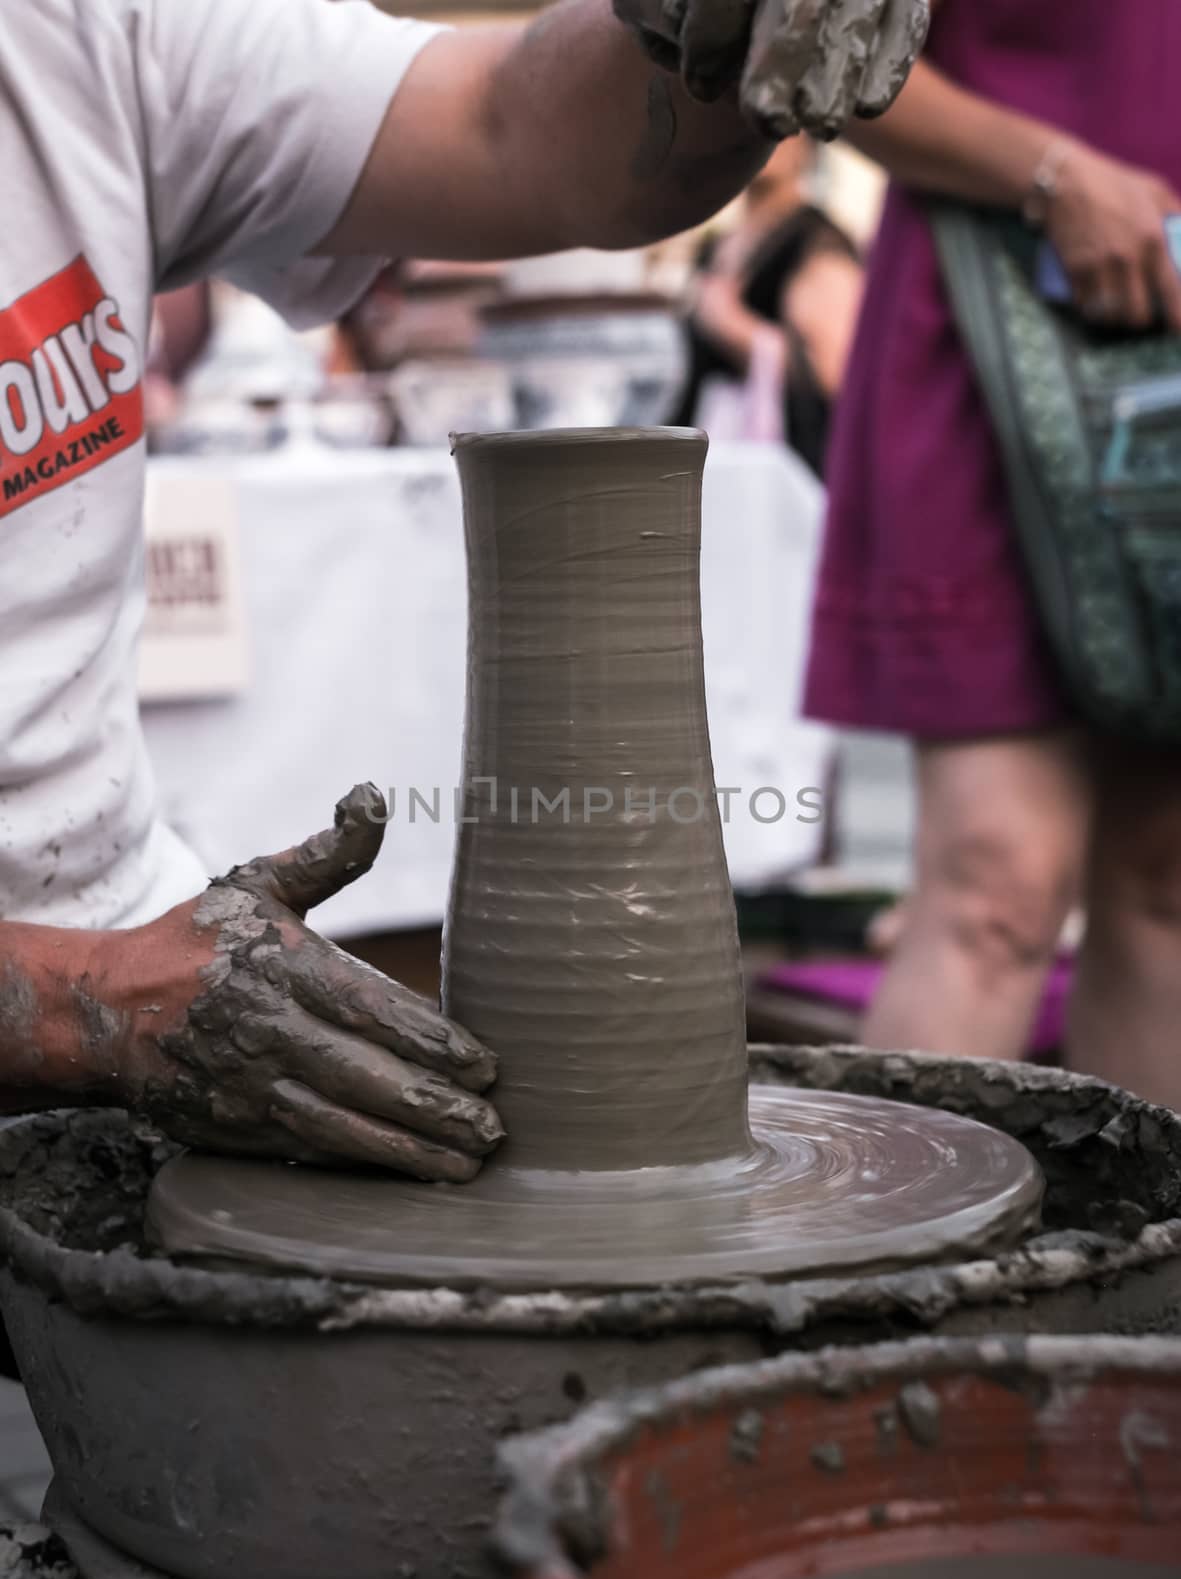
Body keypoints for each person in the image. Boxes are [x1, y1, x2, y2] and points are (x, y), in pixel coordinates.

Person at [0, 0, 925, 1175]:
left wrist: (693, 39)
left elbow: (509, 127)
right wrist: (78, 1000)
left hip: (127, 940)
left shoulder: (80, 28)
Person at [802, 0, 1181, 1106]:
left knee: (1164, 880)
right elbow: (817, 59)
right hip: (989, 328)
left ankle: (1147, 1270)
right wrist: (1052, 174)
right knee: (990, 888)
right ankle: (878, 1271)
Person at [674, 139, 864, 474]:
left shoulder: (817, 244)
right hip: (712, 473)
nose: (759, 131)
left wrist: (737, 329)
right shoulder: (715, 247)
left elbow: (840, 377)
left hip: (786, 484)